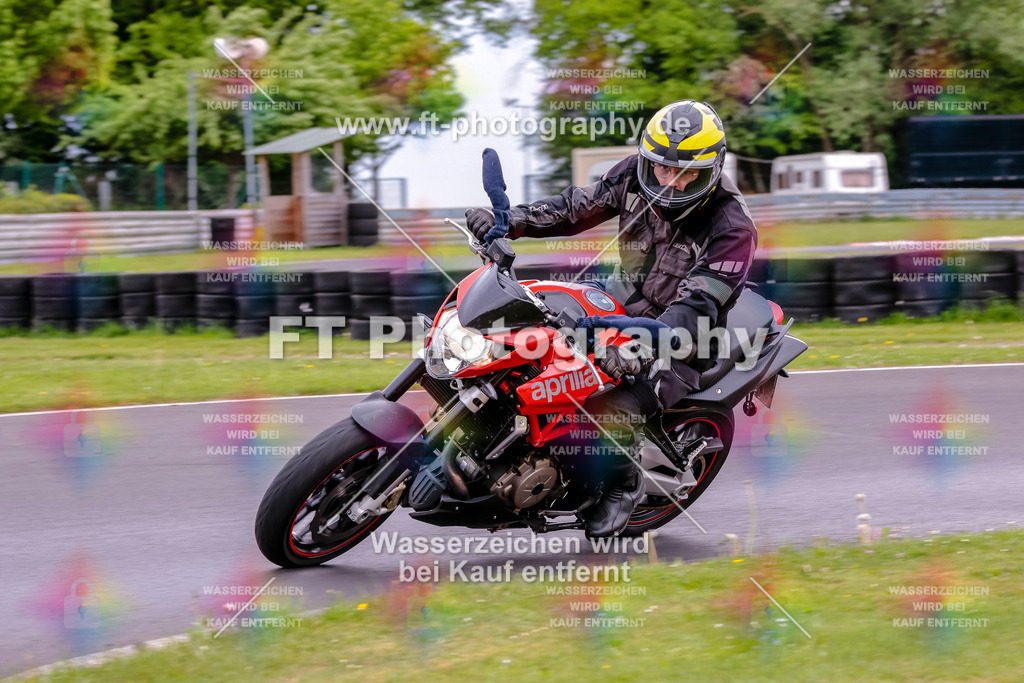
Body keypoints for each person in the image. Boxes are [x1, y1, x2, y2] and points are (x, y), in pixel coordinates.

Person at [465, 100, 758, 537]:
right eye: (662, 168)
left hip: (681, 340)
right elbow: (575, 208)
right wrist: (509, 222)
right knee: (531, 345)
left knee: (607, 404)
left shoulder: (732, 229)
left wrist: (639, 347)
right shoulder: (635, 173)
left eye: (686, 173)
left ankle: (622, 484)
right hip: (619, 302)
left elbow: (694, 309)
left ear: (711, 169)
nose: (669, 181)